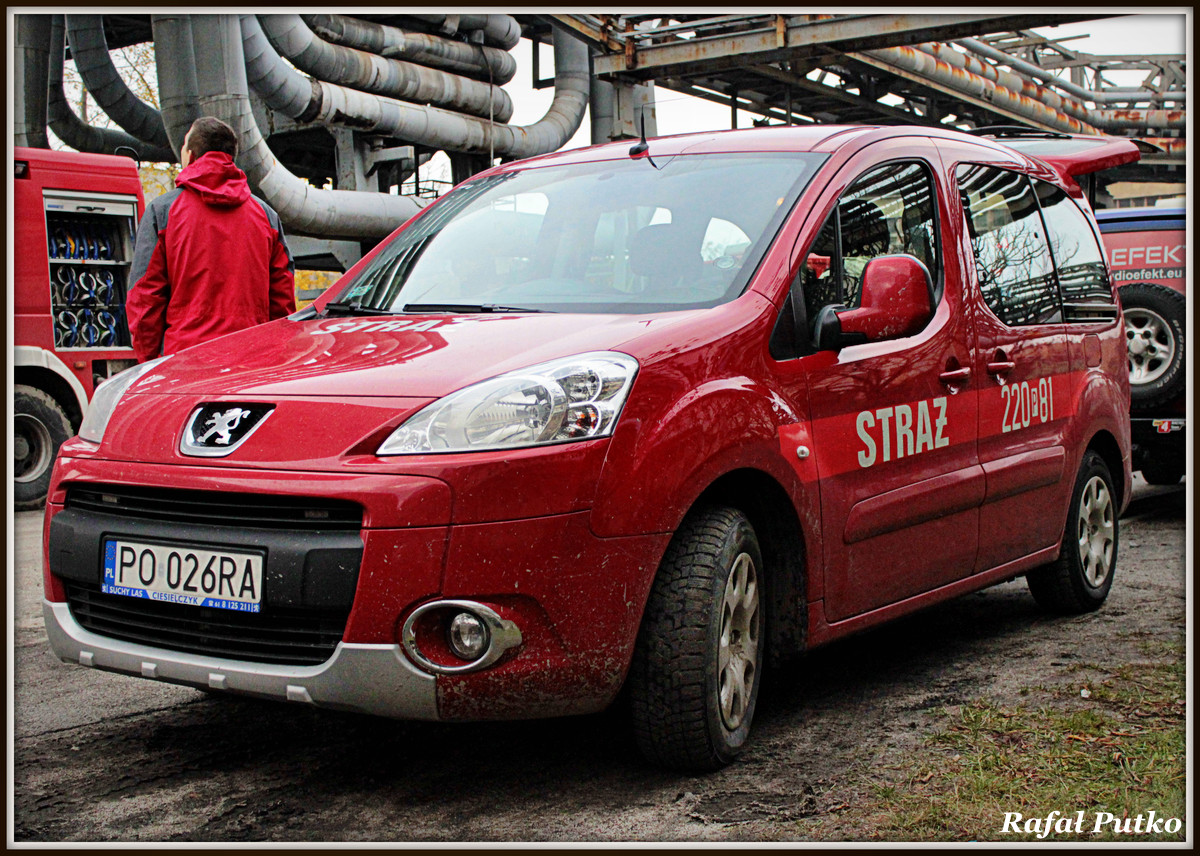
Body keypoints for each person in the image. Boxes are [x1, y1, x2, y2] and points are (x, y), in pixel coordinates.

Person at [126, 116, 295, 362]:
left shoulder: (163, 212)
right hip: (252, 362)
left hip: (183, 363)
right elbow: (283, 300)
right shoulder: (266, 216)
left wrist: (150, 361)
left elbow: (144, 297)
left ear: (191, 156)